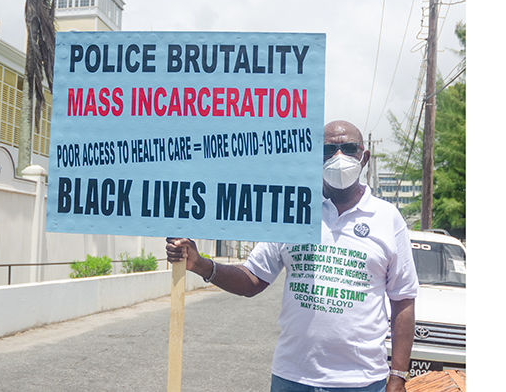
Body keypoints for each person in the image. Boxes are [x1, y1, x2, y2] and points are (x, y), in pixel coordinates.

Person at [166, 120, 418, 392]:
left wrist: (398, 375)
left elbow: (403, 299)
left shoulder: (387, 218)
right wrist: (201, 264)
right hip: (293, 378)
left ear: (364, 156)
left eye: (348, 148)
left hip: (362, 381)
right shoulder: (295, 213)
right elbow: (253, 279)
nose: (338, 157)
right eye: (328, 150)